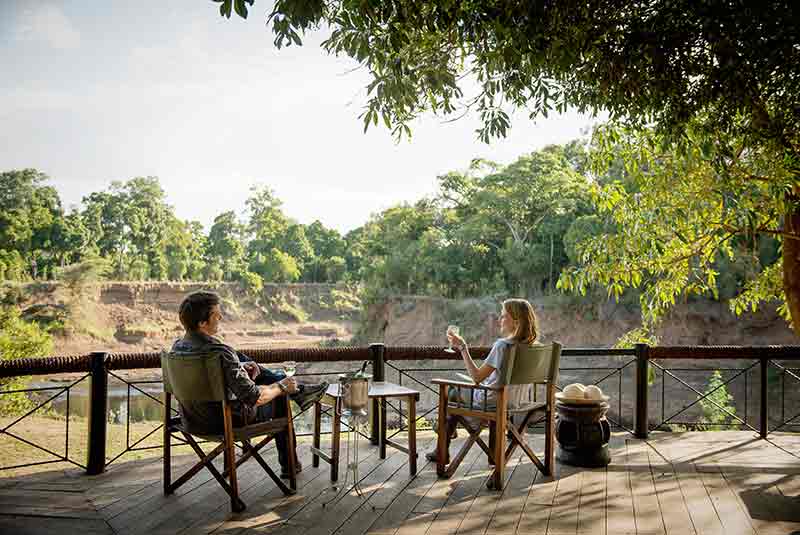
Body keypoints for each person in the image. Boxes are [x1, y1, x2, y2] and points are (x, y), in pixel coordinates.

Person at [171, 290, 328, 478]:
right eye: (216, 314)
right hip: (224, 421)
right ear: (202, 322)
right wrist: (281, 387)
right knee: (280, 398)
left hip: (192, 418)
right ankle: (290, 466)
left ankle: (299, 392)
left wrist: (238, 366)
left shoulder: (177, 348)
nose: (220, 317)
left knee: (242, 360)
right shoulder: (220, 352)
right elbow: (254, 397)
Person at [426, 298, 539, 463]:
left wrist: (463, 348)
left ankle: (442, 443)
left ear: (516, 321)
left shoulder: (503, 346)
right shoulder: (534, 348)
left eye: (503, 316)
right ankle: (454, 433)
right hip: (517, 402)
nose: (500, 319)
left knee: (451, 391)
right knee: (457, 395)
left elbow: (477, 377)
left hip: (492, 401)